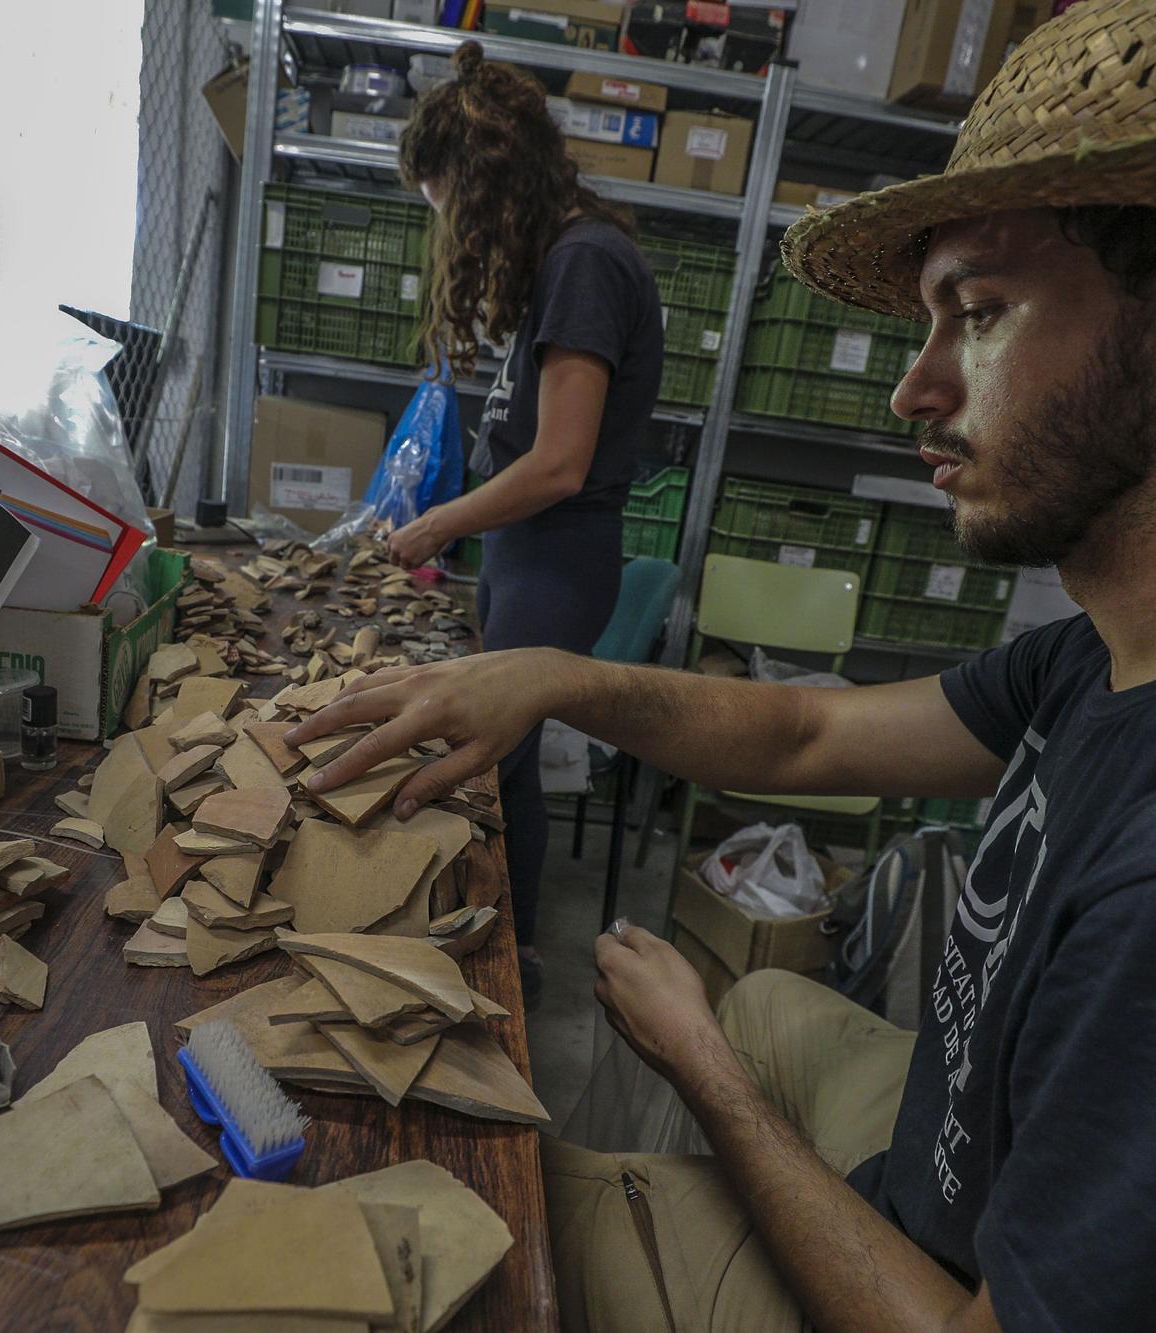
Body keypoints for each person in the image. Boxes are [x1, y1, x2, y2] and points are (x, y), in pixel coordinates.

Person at [290, 0, 1156, 1327]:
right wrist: (558, 680)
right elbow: (811, 739)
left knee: (460, 1236)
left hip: (946, 1279)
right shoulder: (1144, 647)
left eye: (978, 310)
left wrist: (702, 1069)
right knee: (776, 993)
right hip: (948, 1161)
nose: (915, 387)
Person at [386, 41, 666, 1006]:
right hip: (523, 554)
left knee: (487, 760)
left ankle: (506, 961)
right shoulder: (561, 258)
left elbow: (559, 463)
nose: (449, 231)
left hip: (557, 551)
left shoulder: (586, 263)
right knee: (505, 768)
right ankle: (513, 942)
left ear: (483, 185)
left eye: (446, 206)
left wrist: (436, 528)